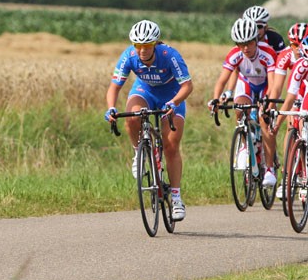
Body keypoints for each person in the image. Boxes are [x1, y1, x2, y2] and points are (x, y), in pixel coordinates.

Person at [104, 20, 193, 221]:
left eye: (146, 46)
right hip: (145, 91)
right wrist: (111, 107)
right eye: (138, 46)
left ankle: (176, 198)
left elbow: (187, 86)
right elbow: (114, 87)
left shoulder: (169, 55)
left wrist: (174, 102)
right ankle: (139, 153)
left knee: (171, 145)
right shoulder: (129, 55)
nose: (142, 51)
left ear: (155, 44)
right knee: (133, 117)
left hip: (172, 95)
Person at [208, 18, 278, 187]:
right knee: (239, 108)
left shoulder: (267, 53)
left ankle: (269, 169)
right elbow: (222, 80)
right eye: (240, 44)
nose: (245, 48)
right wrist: (216, 99)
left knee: (264, 120)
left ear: (256, 40)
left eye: (248, 43)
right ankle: (245, 145)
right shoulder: (235, 54)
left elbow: (273, 82)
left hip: (265, 86)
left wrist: (267, 102)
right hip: (246, 84)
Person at [268, 23, 308, 199]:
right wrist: (275, 116)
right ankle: (287, 174)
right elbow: (279, 89)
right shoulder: (289, 59)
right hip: (298, 92)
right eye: (294, 44)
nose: (297, 48)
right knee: (293, 124)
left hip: (304, 91)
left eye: (301, 43)